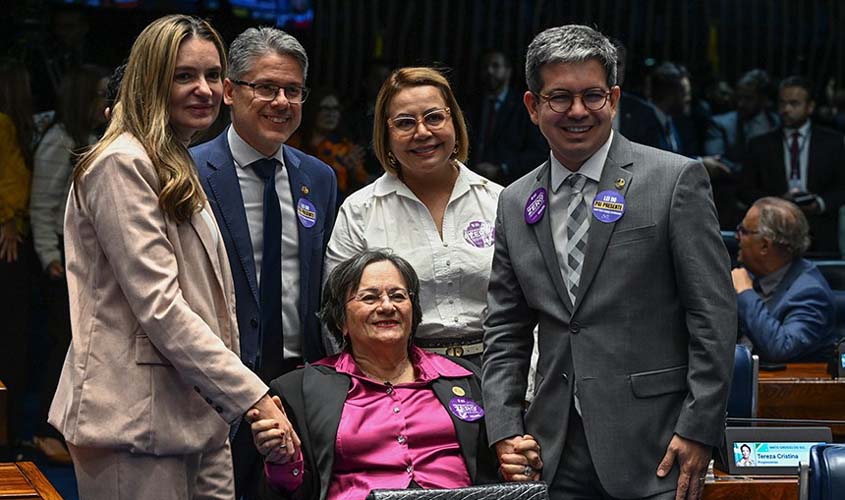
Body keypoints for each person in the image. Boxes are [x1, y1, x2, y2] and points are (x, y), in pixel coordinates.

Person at [481, 25, 735, 500]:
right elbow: (505, 330)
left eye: (592, 95)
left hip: (658, 448)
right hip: (551, 451)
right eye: (559, 98)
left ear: (614, 98)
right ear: (533, 107)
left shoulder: (675, 180)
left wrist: (699, 429)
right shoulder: (515, 201)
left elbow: (713, 317)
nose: (577, 111)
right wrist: (505, 427)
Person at [48, 15, 292, 499]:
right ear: (150, 79)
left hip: (198, 411)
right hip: (131, 420)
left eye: (211, 75)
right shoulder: (122, 161)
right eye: (184, 75)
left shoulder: (174, 158)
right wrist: (254, 395)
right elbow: (159, 306)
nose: (203, 89)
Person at [189, 26, 337, 500]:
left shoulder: (320, 177)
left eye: (293, 90)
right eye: (266, 87)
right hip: (214, 388)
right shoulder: (188, 171)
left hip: (299, 384)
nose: (281, 102)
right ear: (230, 91)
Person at [249, 250, 505, 500]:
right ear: (341, 321)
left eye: (398, 296)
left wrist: (517, 460)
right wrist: (282, 462)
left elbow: (496, 465)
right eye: (370, 298)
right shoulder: (298, 391)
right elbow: (285, 491)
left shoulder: (466, 377)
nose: (387, 306)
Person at [325, 67, 502, 365]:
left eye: (434, 117)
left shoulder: (499, 201)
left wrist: (525, 389)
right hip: (398, 379)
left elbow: (535, 306)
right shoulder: (360, 210)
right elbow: (337, 318)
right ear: (386, 135)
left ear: (454, 123)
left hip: (499, 372)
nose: (422, 132)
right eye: (405, 123)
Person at [29, 64, 109, 464]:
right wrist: (49, 259)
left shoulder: (93, 139)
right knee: (60, 349)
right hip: (61, 262)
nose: (104, 102)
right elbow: (42, 207)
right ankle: (45, 434)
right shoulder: (58, 140)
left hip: (85, 259)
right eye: (97, 94)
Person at [741, 76, 845, 257]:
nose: (786, 110)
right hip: (774, 232)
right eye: (782, 103)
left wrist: (819, 203)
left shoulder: (833, 142)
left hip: (822, 231)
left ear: (810, 107)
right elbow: (744, 189)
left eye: (794, 103)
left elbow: (842, 187)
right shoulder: (760, 145)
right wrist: (777, 203)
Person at [733, 197, 837, 362]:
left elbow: (782, 348)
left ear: (765, 246)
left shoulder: (811, 293)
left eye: (743, 231)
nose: (736, 237)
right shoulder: (751, 275)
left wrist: (746, 293)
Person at [0, 60, 34, 460]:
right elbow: (13, 182)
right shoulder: (5, 123)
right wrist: (9, 217)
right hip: (6, 242)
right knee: (10, 339)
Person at [467, 50, 546, 185]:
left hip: (511, 183)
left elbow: (538, 152)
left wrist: (501, 169)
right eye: (485, 67)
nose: (490, 71)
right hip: (473, 181)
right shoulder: (472, 104)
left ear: (508, 71)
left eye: (496, 66)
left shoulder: (524, 107)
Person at [289, 87, 368, 201]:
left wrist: (352, 171)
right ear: (313, 110)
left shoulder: (346, 147)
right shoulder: (294, 142)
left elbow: (361, 186)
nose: (331, 114)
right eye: (325, 108)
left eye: (335, 109)